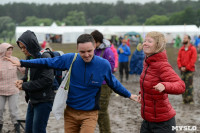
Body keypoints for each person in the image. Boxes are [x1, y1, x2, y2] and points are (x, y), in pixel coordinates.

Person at [6, 34, 138, 133]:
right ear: (77, 49)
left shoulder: (103, 64)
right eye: (82, 52)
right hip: (70, 113)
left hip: (90, 114)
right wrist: (23, 63)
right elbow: (47, 62)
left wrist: (128, 95)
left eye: (89, 51)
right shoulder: (71, 59)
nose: (86, 55)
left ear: (94, 47)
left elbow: (113, 83)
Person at [137, 31, 185, 133]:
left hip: (163, 123)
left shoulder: (162, 65)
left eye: (149, 41)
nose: (145, 43)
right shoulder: (148, 63)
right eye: (145, 40)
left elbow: (181, 86)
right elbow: (149, 83)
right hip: (147, 120)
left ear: (158, 46)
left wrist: (165, 85)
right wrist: (143, 94)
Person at [14, 30, 55, 133]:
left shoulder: (45, 56)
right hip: (33, 100)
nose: (23, 50)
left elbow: (47, 80)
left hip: (44, 100)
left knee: (38, 130)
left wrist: (25, 86)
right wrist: (22, 80)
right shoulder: (30, 57)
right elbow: (30, 76)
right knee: (28, 130)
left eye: (24, 47)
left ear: (31, 44)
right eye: (21, 47)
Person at [91, 30, 114, 133]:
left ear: (98, 41)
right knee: (95, 112)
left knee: (102, 112)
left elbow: (111, 68)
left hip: (104, 85)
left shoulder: (107, 51)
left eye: (93, 42)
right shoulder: (94, 50)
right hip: (94, 85)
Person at [0, 43, 25, 133]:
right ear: (2, 51)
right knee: (0, 110)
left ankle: (17, 128)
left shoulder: (15, 59)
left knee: (13, 111)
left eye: (11, 50)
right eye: (8, 50)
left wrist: (30, 65)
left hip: (13, 90)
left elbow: (23, 71)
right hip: (0, 91)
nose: (10, 52)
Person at [177, 35, 197, 104]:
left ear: (189, 40)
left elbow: (193, 60)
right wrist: (180, 67)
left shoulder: (192, 49)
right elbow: (178, 59)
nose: (184, 39)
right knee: (183, 85)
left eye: (185, 38)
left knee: (189, 85)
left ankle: (190, 99)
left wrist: (186, 67)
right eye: (183, 38)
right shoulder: (181, 49)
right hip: (182, 70)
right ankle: (184, 99)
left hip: (190, 70)